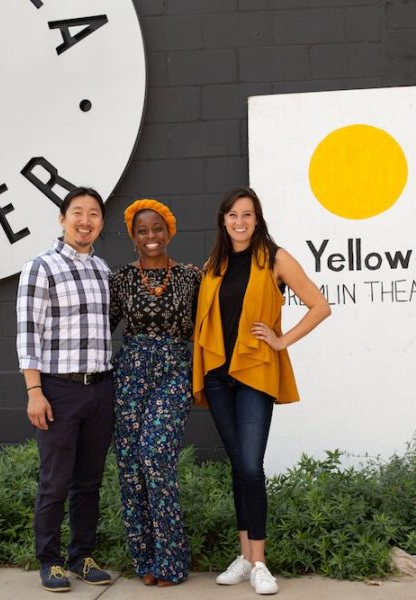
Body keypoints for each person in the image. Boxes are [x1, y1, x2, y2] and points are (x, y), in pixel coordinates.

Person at [192, 187, 331, 596]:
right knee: (238, 464)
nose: (240, 221)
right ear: (223, 219)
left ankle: (259, 562)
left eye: (247, 215)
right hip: (219, 375)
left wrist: (281, 340)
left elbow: (319, 306)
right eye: (233, 214)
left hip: (254, 372)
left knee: (251, 465)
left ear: (258, 220)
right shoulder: (212, 265)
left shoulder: (275, 258)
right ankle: (244, 556)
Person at [16, 187, 115, 593]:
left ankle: (82, 556)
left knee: (89, 480)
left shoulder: (104, 270)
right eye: (77, 212)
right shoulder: (41, 267)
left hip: (100, 389)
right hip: (58, 390)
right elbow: (27, 334)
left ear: (101, 223)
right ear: (62, 218)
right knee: (55, 480)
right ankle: (49, 560)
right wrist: (34, 391)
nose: (85, 220)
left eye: (93, 213)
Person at [109, 199, 201, 586]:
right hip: (130, 373)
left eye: (157, 229)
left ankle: (172, 560)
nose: (151, 237)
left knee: (155, 454)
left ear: (169, 232)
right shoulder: (121, 280)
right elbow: (101, 330)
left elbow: (207, 325)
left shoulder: (190, 277)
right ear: (133, 236)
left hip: (175, 371)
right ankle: (145, 559)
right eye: (143, 231)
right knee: (131, 466)